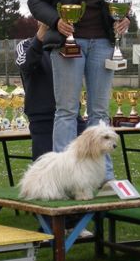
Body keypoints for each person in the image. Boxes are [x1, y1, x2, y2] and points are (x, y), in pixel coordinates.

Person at [27, 0, 129, 181]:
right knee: (67, 110)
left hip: (104, 43)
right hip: (68, 44)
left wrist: (124, 19)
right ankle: (64, 174)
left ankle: (104, 176)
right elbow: (35, 0)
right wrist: (56, 21)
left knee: (99, 111)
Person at [15, 22, 87, 160]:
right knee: (46, 172)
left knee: (82, 167)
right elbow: (25, 64)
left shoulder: (70, 43)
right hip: (42, 119)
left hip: (72, 116)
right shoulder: (25, 45)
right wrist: (40, 36)